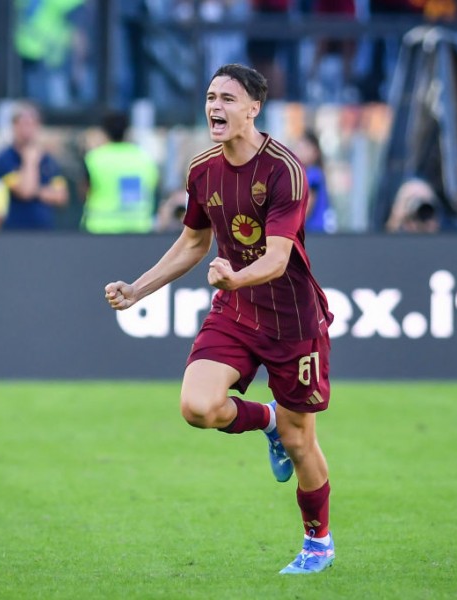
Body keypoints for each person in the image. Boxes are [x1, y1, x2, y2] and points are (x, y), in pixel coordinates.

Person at [105, 63, 335, 575]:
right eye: (211, 97)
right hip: (237, 311)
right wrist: (137, 289)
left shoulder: (284, 170)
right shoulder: (201, 169)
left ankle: (318, 542)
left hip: (293, 321)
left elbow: (278, 259)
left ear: (254, 109)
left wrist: (234, 278)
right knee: (197, 406)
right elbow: (193, 242)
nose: (215, 106)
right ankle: (267, 419)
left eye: (228, 99)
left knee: (301, 442)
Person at [0, 102, 68, 230]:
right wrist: (30, 162)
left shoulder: (48, 160)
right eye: (24, 124)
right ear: (14, 126)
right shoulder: (5, 159)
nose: (27, 129)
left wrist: (35, 190)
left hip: (45, 232)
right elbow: (25, 192)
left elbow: (61, 197)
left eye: (32, 124)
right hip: (14, 231)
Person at [81, 110, 159, 233]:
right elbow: (152, 187)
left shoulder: (94, 158)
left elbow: (84, 192)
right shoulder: (144, 158)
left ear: (104, 133)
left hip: (101, 229)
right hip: (139, 229)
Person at [295, 129, 336, 233]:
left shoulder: (314, 174)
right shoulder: (308, 173)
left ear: (314, 152)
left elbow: (306, 208)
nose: (299, 152)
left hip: (315, 233)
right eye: (298, 148)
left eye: (304, 148)